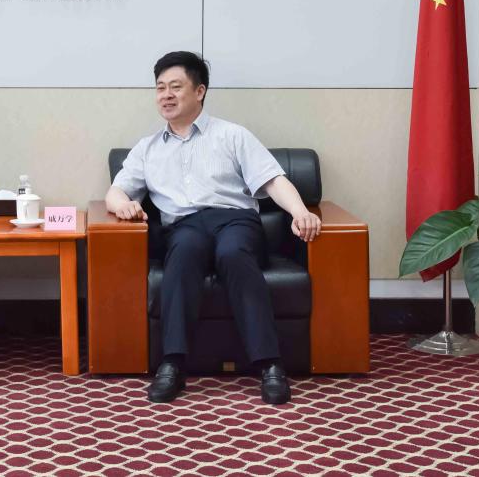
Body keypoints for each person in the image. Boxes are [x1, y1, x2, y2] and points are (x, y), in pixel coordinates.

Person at [105, 51, 321, 405]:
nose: (166, 95)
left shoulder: (232, 135)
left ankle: (270, 364)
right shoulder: (147, 149)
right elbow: (116, 191)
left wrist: (300, 212)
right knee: (183, 254)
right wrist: (122, 205)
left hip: (234, 220)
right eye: (160, 87)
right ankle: (172, 364)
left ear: (200, 91)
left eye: (176, 86)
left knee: (233, 254)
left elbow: (272, 180)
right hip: (184, 226)